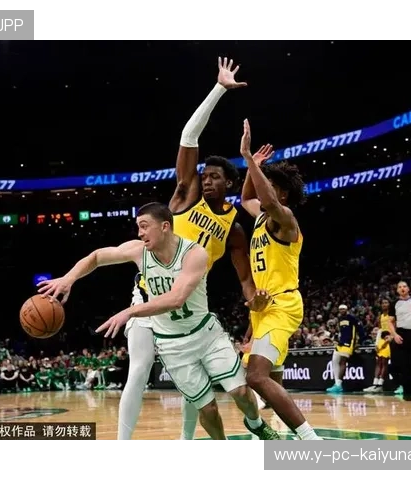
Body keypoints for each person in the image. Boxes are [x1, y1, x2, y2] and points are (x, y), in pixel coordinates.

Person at [113, 57, 269, 440]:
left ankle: (189, 440)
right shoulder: (185, 197)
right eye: (205, 175)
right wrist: (219, 89)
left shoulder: (233, 229)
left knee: (194, 378)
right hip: (149, 292)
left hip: (191, 298)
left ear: (229, 183)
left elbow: (244, 279)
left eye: (214, 176)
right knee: (139, 368)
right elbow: (188, 136)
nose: (206, 180)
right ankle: (121, 446)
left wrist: (254, 301)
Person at [40, 202, 279, 440]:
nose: (140, 233)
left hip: (205, 335)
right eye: (138, 227)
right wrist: (68, 279)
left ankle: (256, 423)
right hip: (172, 345)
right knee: (207, 408)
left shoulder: (195, 253)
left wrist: (129, 312)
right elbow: (97, 257)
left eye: (144, 226)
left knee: (240, 392)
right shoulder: (138, 251)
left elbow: (176, 299)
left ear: (165, 226)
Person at [239, 119, 322, 440]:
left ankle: (312, 441)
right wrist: (254, 168)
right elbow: (247, 198)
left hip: (283, 305)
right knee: (270, 379)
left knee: (255, 376)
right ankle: (277, 436)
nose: (264, 188)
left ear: (283, 194)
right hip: (263, 309)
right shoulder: (261, 217)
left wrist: (248, 158)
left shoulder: (285, 219)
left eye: (270, 185)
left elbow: (268, 201)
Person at [326, 304, 365, 393]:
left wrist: (360, 342)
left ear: (347, 309)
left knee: (342, 362)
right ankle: (336, 383)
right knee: (334, 360)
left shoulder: (352, 318)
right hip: (340, 343)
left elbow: (360, 329)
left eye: (343, 309)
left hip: (349, 343)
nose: (342, 310)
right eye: (340, 309)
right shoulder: (340, 319)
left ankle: (339, 385)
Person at [364, 298, 393, 392]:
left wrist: (389, 339)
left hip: (389, 339)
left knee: (384, 363)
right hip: (381, 339)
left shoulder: (392, 315)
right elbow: (380, 330)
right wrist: (376, 343)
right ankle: (375, 384)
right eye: (383, 303)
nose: (384, 304)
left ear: (389, 304)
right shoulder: (380, 316)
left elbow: (394, 328)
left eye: (386, 303)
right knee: (378, 362)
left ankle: (380, 385)